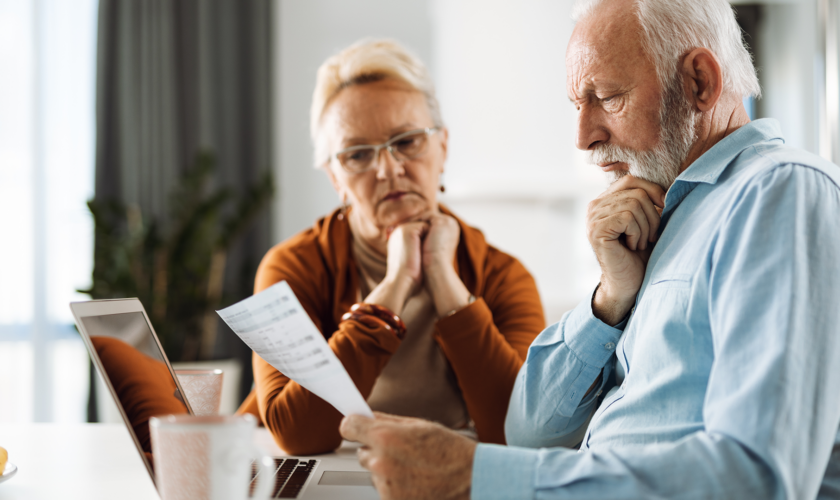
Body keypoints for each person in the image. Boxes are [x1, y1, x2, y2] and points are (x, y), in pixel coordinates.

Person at [338, 0, 840, 498]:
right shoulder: (661, 214)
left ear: (699, 83)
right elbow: (529, 433)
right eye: (578, 105)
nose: (583, 137)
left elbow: (759, 478)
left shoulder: (780, 192)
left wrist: (475, 476)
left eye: (605, 97)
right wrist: (611, 297)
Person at [236, 39, 546, 455]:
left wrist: (442, 277)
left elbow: (520, 433)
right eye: (358, 154)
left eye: (406, 141)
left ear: (443, 147)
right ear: (334, 178)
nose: (388, 169)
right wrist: (396, 283)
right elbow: (299, 436)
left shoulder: (502, 275)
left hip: (444, 472)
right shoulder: (292, 266)